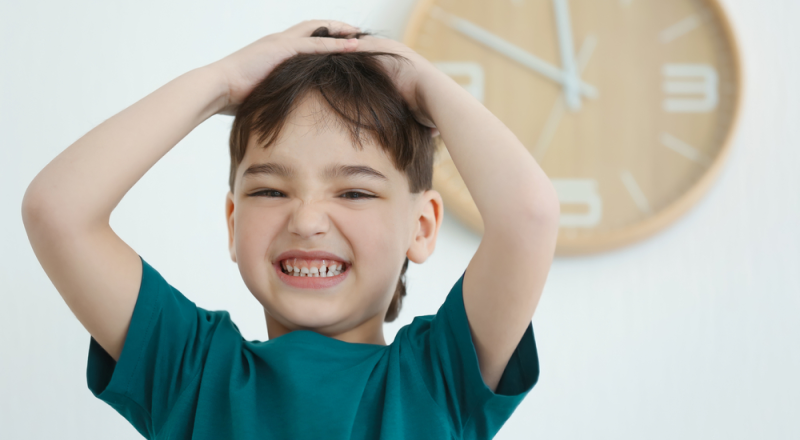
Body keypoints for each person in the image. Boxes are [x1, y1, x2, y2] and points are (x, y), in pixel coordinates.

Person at [22, 19, 560, 440]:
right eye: (270, 191)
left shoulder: (438, 378)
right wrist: (220, 82)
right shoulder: (192, 370)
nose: (305, 220)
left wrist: (421, 81)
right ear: (233, 224)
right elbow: (57, 210)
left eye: (354, 191)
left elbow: (529, 216)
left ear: (421, 227)